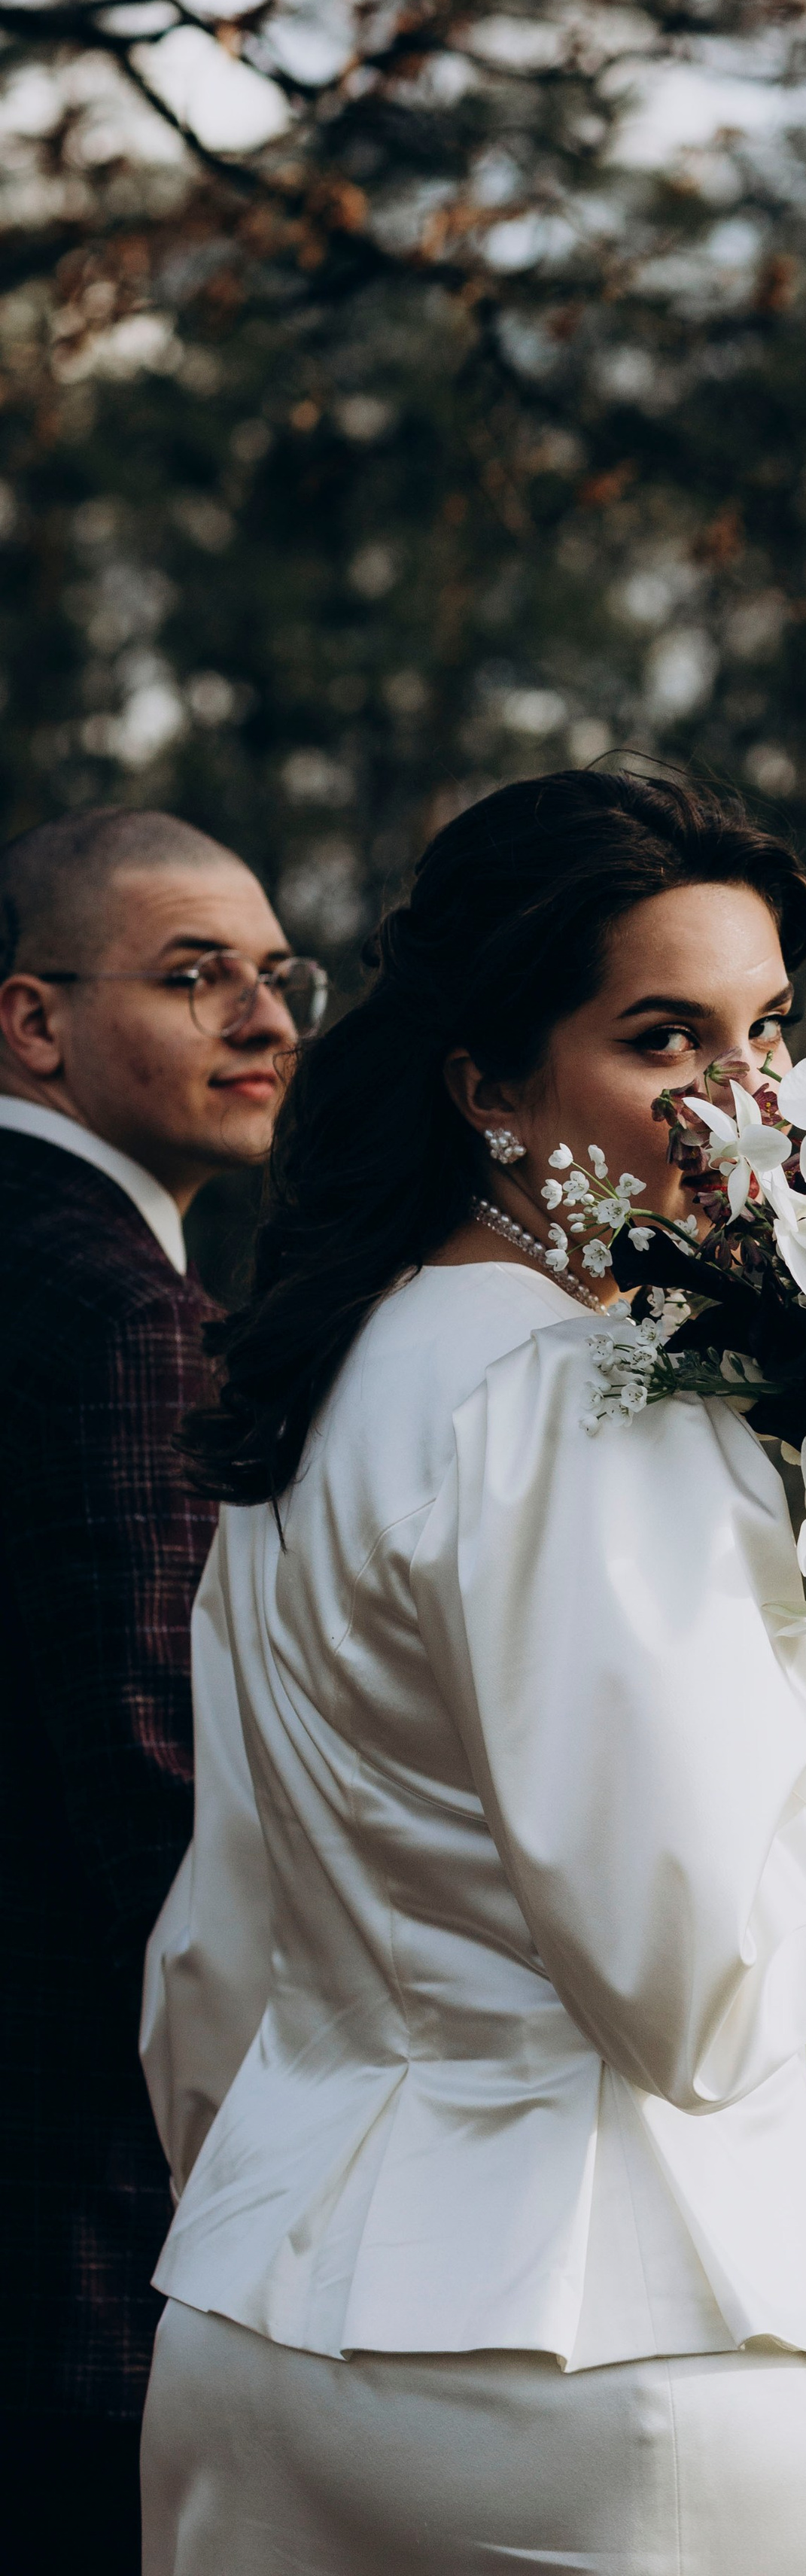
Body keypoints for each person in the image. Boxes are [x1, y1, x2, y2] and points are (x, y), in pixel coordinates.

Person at [140, 768, 806, 2576]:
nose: (743, 1103)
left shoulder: (319, 1387)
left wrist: (257, 2209)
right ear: (490, 1087)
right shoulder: (590, 1403)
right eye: (662, 1039)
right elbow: (699, 2000)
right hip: (600, 2374)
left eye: (768, 1033)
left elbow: (216, 1940)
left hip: (253, 2345)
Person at [0, 807, 318, 2572]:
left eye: (277, 978)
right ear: (30, 1023)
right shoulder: (122, 1321)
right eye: (196, 978)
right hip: (69, 2215)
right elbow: (161, 1798)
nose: (264, 1021)